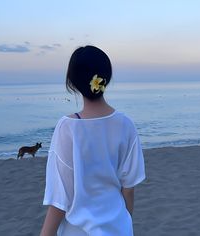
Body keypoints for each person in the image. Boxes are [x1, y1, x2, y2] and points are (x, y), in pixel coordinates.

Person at [40, 45, 145, 236]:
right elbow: (128, 189)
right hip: (118, 228)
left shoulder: (67, 127)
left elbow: (60, 199)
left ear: (72, 83)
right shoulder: (126, 124)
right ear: (107, 78)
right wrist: (124, 223)